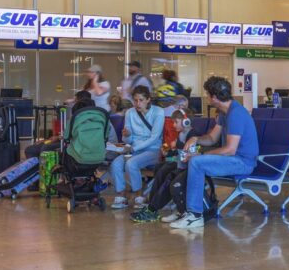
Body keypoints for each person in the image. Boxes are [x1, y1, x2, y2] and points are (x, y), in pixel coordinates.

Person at [170, 77, 259, 230]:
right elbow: (212, 138)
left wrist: (203, 156)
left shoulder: (236, 114)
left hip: (243, 163)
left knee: (197, 162)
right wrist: (195, 139)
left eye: (207, 94)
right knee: (195, 161)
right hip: (234, 159)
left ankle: (195, 215)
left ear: (214, 97)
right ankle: (188, 210)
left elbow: (230, 149)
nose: (206, 97)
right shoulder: (225, 113)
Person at [130, 109, 218, 224]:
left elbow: (190, 152)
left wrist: (177, 144)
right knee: (161, 170)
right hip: (181, 165)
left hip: (190, 168)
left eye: (176, 122)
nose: (173, 125)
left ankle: (162, 209)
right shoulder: (181, 134)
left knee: (170, 180)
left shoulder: (193, 135)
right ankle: (152, 206)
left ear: (186, 122)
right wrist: (169, 152)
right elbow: (179, 152)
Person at [109, 85, 165, 210]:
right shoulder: (130, 113)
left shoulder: (158, 112)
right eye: (135, 100)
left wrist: (133, 148)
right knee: (115, 164)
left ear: (148, 99)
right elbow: (127, 140)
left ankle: (139, 195)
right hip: (134, 149)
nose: (137, 103)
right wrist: (126, 136)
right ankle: (121, 195)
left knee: (131, 163)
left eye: (141, 100)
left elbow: (154, 138)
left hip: (153, 149)